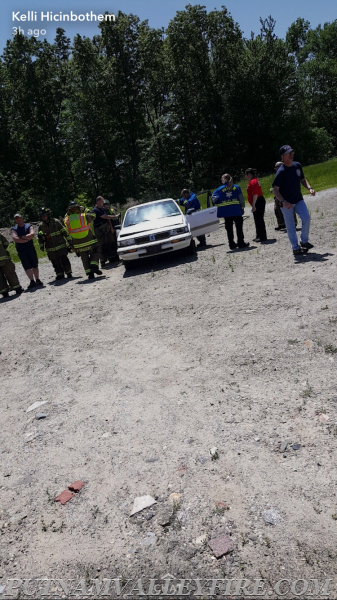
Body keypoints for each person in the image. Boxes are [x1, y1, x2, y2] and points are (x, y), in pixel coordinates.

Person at [273, 145, 315, 256]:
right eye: (288, 153)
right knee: (290, 225)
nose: (291, 155)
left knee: (306, 218)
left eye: (292, 152)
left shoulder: (297, 165)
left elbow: (303, 179)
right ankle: (295, 248)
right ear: (283, 156)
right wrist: (283, 201)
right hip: (286, 202)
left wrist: (309, 188)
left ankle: (304, 241)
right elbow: (275, 190)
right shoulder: (281, 172)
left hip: (298, 199)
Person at [64, 202, 102, 279]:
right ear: (78, 208)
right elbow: (93, 215)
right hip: (89, 241)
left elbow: (67, 217)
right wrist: (84, 209)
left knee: (84, 257)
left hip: (77, 244)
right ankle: (94, 265)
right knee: (96, 251)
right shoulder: (84, 216)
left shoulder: (66, 220)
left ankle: (89, 273)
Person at [212, 174, 249, 250]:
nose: (221, 181)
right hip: (236, 210)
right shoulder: (236, 187)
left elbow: (214, 199)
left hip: (226, 213)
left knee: (229, 229)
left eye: (222, 180)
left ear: (224, 180)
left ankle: (231, 244)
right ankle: (241, 243)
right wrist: (242, 208)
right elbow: (241, 199)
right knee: (239, 228)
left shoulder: (219, 189)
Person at [38, 207, 73, 281]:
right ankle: (59, 274)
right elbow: (40, 238)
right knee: (55, 262)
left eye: (44, 215)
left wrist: (69, 240)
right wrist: (41, 246)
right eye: (42, 216)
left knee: (64, 259)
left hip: (60, 245)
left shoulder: (56, 222)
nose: (43, 217)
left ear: (48, 215)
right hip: (50, 248)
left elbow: (64, 231)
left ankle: (68, 272)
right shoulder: (41, 226)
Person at [11, 214, 43, 289]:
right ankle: (32, 281)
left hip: (30, 248)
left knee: (34, 264)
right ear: (15, 220)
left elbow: (32, 234)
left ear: (22, 218)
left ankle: (37, 279)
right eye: (16, 219)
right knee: (26, 266)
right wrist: (27, 239)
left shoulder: (28, 226)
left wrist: (21, 237)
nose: (18, 220)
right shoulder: (14, 229)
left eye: (19, 218)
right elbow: (15, 239)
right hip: (21, 250)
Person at [91, 196, 119, 267]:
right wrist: (115, 216)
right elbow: (105, 217)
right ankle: (103, 261)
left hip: (106, 227)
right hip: (99, 229)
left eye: (103, 202)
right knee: (102, 245)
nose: (103, 203)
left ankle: (112, 258)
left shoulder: (103, 209)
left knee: (110, 242)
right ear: (98, 202)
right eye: (102, 202)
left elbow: (107, 219)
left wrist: (111, 228)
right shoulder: (95, 210)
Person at [272, 162, 298, 231]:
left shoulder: (286, 173)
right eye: (275, 167)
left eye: (277, 166)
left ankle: (293, 224)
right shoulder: (277, 175)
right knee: (277, 209)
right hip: (278, 196)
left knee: (289, 209)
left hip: (286, 196)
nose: (276, 168)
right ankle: (281, 224)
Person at [245, 168, 267, 242]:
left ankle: (262, 236)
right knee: (257, 219)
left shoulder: (253, 181)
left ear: (249, 174)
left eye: (246, 175)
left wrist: (253, 205)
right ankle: (259, 235)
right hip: (257, 201)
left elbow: (255, 194)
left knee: (259, 219)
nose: (246, 177)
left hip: (258, 201)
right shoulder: (254, 181)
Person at [0, 233, 24, 298]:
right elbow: (6, 244)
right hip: (4, 258)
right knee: (10, 273)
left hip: (4, 258)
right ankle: (17, 289)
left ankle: (4, 293)